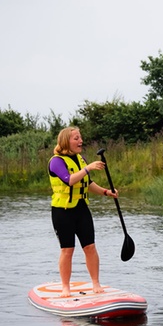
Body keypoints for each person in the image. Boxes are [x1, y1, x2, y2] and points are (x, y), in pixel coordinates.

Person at [49, 126, 119, 298]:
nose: (80, 141)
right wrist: (89, 168)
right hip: (62, 211)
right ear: (66, 141)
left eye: (80, 137)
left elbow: (87, 183)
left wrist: (105, 192)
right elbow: (70, 180)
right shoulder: (56, 161)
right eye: (76, 138)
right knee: (68, 249)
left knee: (90, 247)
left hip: (81, 209)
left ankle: (96, 283)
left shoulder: (80, 159)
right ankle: (65, 287)